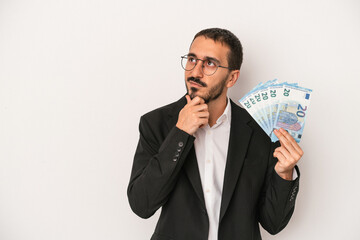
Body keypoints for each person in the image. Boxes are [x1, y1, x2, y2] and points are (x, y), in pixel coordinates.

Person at [127, 28, 302, 240]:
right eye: (192, 59)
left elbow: (273, 223)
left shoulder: (261, 131)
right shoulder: (155, 124)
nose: (195, 72)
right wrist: (180, 133)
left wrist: (284, 174)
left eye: (209, 63)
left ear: (232, 78)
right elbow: (141, 205)